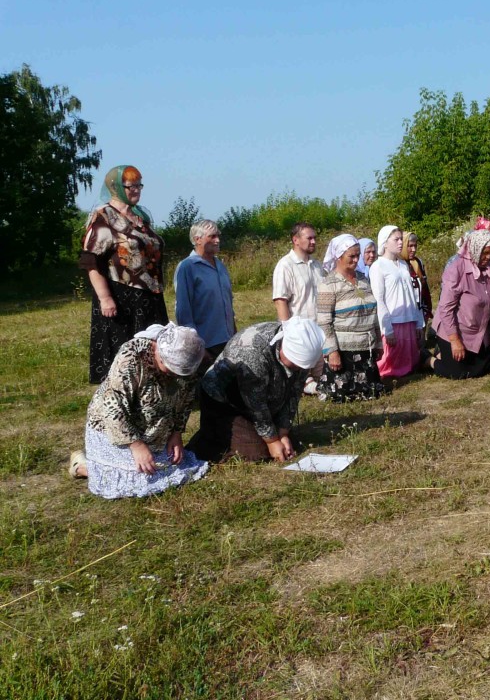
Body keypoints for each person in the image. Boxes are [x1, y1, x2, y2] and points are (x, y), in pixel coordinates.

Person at [67, 323, 208, 499]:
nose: (176, 376)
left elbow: (185, 400)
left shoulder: (187, 358)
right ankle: (82, 466)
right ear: (159, 353)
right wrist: (136, 445)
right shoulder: (131, 357)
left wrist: (176, 432)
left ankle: (98, 465)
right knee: (141, 477)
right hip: (114, 428)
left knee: (168, 468)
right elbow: (113, 404)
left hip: (155, 430)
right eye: (171, 370)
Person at [187, 318, 325, 463]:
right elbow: (256, 405)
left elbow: (294, 393)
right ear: (284, 346)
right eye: (294, 363)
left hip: (262, 401)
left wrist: (283, 433)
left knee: (290, 442)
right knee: (259, 453)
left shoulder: (303, 355)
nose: (297, 369)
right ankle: (210, 436)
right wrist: (272, 441)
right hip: (225, 402)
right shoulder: (252, 353)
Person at [79, 165, 168, 383]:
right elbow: (91, 261)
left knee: (152, 353)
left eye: (139, 185)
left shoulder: (140, 217)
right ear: (116, 187)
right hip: (122, 297)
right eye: (131, 186)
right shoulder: (104, 217)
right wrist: (105, 298)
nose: (137, 190)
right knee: (125, 357)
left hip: (150, 295)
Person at [315, 234, 385, 402]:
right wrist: (332, 352)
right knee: (340, 397)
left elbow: (373, 312)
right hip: (343, 351)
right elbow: (324, 321)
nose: (356, 260)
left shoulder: (362, 279)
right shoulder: (329, 284)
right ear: (338, 257)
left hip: (365, 347)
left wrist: (378, 342)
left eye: (357, 255)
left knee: (372, 394)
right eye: (351, 256)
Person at [431, 230, 490, 379]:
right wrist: (455, 341)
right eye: (485, 253)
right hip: (456, 332)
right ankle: (428, 359)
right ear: (475, 249)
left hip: (479, 332)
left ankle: (446, 355)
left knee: (483, 369)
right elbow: (446, 308)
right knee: (459, 374)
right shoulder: (456, 269)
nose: (488, 257)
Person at [174, 219, 236, 360]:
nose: (218, 240)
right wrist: (197, 347)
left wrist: (234, 333)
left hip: (227, 340)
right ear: (198, 240)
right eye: (212, 236)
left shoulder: (220, 266)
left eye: (218, 236)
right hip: (206, 344)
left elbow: (228, 304)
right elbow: (184, 312)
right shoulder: (187, 267)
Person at [369, 225, 424, 379]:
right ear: (385, 243)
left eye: (401, 239)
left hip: (408, 317)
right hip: (394, 319)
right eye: (396, 239)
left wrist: (418, 322)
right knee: (390, 360)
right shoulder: (378, 266)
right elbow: (379, 298)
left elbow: (413, 294)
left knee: (409, 359)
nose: (401, 242)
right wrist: (387, 328)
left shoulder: (403, 264)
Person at [272, 222, 323, 321]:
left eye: (314, 238)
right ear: (296, 240)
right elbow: (280, 301)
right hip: (299, 330)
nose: (313, 242)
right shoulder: (285, 265)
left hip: (319, 329)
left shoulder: (317, 265)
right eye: (309, 238)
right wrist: (288, 330)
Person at [401, 232, 433, 330]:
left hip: (420, 310)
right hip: (405, 314)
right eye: (410, 246)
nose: (413, 250)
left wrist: (428, 308)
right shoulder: (398, 265)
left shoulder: (417, 262)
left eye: (415, 246)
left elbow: (424, 287)